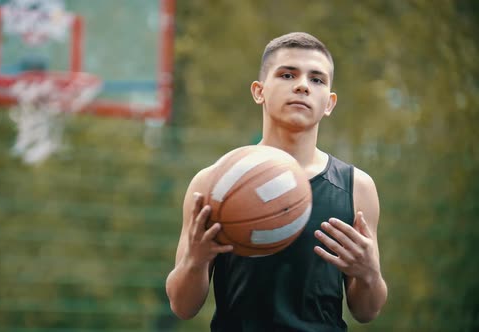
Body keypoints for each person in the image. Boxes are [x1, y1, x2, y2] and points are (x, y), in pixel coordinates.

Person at [165, 32, 388, 331]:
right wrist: (195, 262)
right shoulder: (213, 183)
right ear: (259, 91)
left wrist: (369, 273)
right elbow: (182, 306)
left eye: (317, 79)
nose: (302, 86)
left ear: (329, 103)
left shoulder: (356, 187)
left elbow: (366, 311)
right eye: (287, 74)